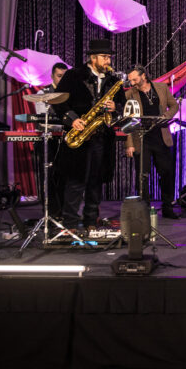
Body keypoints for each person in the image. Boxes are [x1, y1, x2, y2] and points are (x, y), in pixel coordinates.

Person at [53, 39, 125, 233]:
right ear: (92, 58)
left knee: (96, 180)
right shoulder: (73, 75)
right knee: (76, 181)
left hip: (102, 137)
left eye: (109, 57)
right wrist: (72, 119)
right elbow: (58, 102)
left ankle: (91, 220)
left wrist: (115, 107)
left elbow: (123, 106)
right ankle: (69, 224)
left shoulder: (112, 81)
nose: (108, 61)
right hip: (79, 134)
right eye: (104, 57)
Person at [124, 64, 180, 220]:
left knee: (167, 173)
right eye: (130, 80)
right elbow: (127, 120)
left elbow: (174, 105)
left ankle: (168, 207)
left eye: (135, 79)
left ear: (143, 76)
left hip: (161, 136)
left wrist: (167, 116)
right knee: (142, 175)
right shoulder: (129, 94)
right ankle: (145, 208)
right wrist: (129, 143)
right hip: (141, 138)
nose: (133, 82)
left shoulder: (161, 87)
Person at [35, 62, 67, 217]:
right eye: (59, 76)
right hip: (49, 141)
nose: (62, 79)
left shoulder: (69, 94)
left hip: (65, 141)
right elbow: (42, 119)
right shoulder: (44, 92)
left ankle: (63, 212)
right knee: (48, 177)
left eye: (64, 76)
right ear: (52, 76)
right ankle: (50, 213)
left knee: (64, 177)